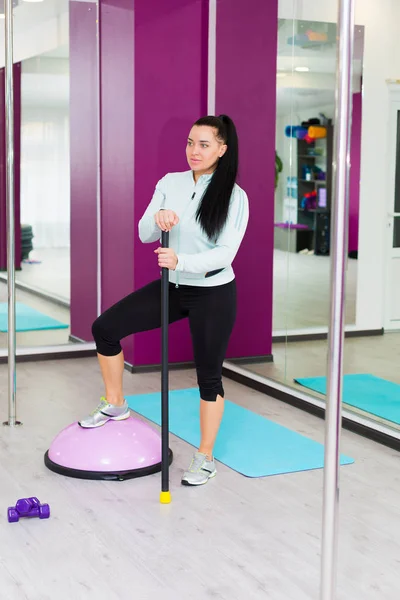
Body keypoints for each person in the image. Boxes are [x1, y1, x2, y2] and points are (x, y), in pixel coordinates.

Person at [79, 114, 249, 486]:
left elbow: (224, 254)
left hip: (213, 292)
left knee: (208, 375)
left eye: (204, 144)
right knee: (104, 328)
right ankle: (116, 403)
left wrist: (181, 260)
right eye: (190, 142)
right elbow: (143, 233)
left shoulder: (234, 196)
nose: (194, 151)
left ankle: (205, 457)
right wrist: (158, 217)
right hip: (172, 287)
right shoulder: (170, 183)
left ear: (222, 149)